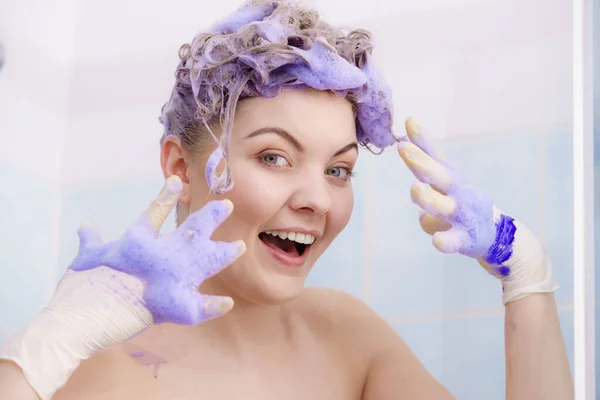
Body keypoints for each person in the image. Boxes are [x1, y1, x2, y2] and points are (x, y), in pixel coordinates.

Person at [0, 1, 573, 399]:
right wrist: (34, 359)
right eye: (274, 157)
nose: (318, 199)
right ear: (179, 166)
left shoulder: (345, 336)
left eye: (339, 169)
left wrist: (525, 272)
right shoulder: (87, 364)